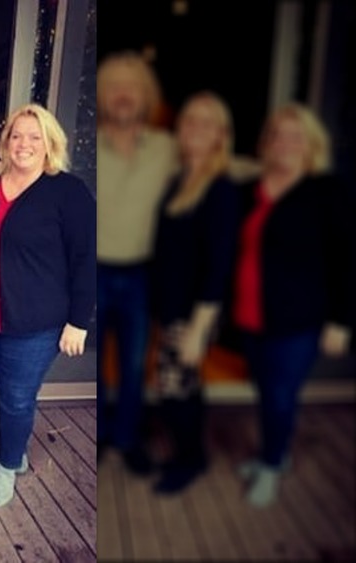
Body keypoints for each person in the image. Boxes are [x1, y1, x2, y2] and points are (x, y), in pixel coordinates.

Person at [0, 104, 96, 507]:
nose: (24, 144)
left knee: (18, 397)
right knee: (4, 391)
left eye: (34, 137)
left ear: (49, 144)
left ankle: (8, 467)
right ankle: (15, 452)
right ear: (5, 143)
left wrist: (79, 321)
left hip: (37, 323)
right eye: (17, 136)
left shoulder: (67, 191)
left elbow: (87, 259)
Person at [231, 103, 352, 508]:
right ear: (266, 142)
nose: (285, 142)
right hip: (251, 316)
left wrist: (341, 320)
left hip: (297, 321)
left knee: (280, 396)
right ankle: (277, 455)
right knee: (267, 392)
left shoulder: (325, 192)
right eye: (277, 134)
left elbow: (346, 260)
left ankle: (270, 464)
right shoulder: (252, 188)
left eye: (295, 135)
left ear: (311, 144)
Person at [148, 92, 239, 494]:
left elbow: (219, 265)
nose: (196, 129)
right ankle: (185, 451)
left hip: (194, 312)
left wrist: (201, 329)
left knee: (176, 388)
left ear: (221, 134)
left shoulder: (220, 189)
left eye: (207, 123)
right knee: (178, 384)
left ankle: (191, 458)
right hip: (171, 307)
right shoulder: (180, 179)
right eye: (190, 121)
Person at [96, 51, 177, 474]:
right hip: (94, 272)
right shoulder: (88, 147)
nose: (123, 95)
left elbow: (215, 169)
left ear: (146, 95)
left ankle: (126, 438)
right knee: (93, 360)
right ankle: (96, 434)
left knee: (132, 364)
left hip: (140, 274)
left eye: (133, 87)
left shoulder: (166, 149)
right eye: (114, 86)